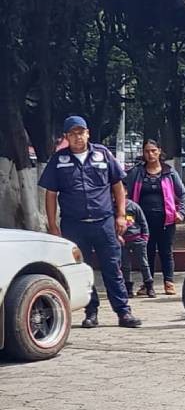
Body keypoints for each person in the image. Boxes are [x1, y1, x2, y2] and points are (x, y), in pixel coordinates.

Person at [40, 116, 142, 328]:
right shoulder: (59, 160)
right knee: (82, 270)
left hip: (104, 222)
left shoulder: (102, 154)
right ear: (66, 137)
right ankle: (91, 312)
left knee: (112, 268)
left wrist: (121, 215)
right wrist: (52, 225)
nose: (78, 137)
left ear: (88, 133)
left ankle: (123, 312)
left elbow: (117, 185)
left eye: (81, 132)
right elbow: (50, 194)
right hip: (74, 225)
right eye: (73, 134)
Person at [123, 139, 185, 294]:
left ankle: (169, 282)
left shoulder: (169, 172)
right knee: (147, 251)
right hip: (142, 221)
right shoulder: (136, 172)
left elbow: (183, 194)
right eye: (147, 151)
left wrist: (181, 212)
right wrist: (127, 217)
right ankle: (148, 283)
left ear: (159, 151)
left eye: (153, 151)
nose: (150, 154)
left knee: (166, 251)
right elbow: (124, 192)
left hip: (166, 220)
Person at [120, 198, 154, 298]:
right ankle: (128, 288)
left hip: (137, 239)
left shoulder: (134, 206)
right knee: (125, 265)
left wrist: (145, 237)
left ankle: (149, 286)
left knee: (143, 264)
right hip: (122, 241)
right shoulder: (113, 207)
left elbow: (143, 222)